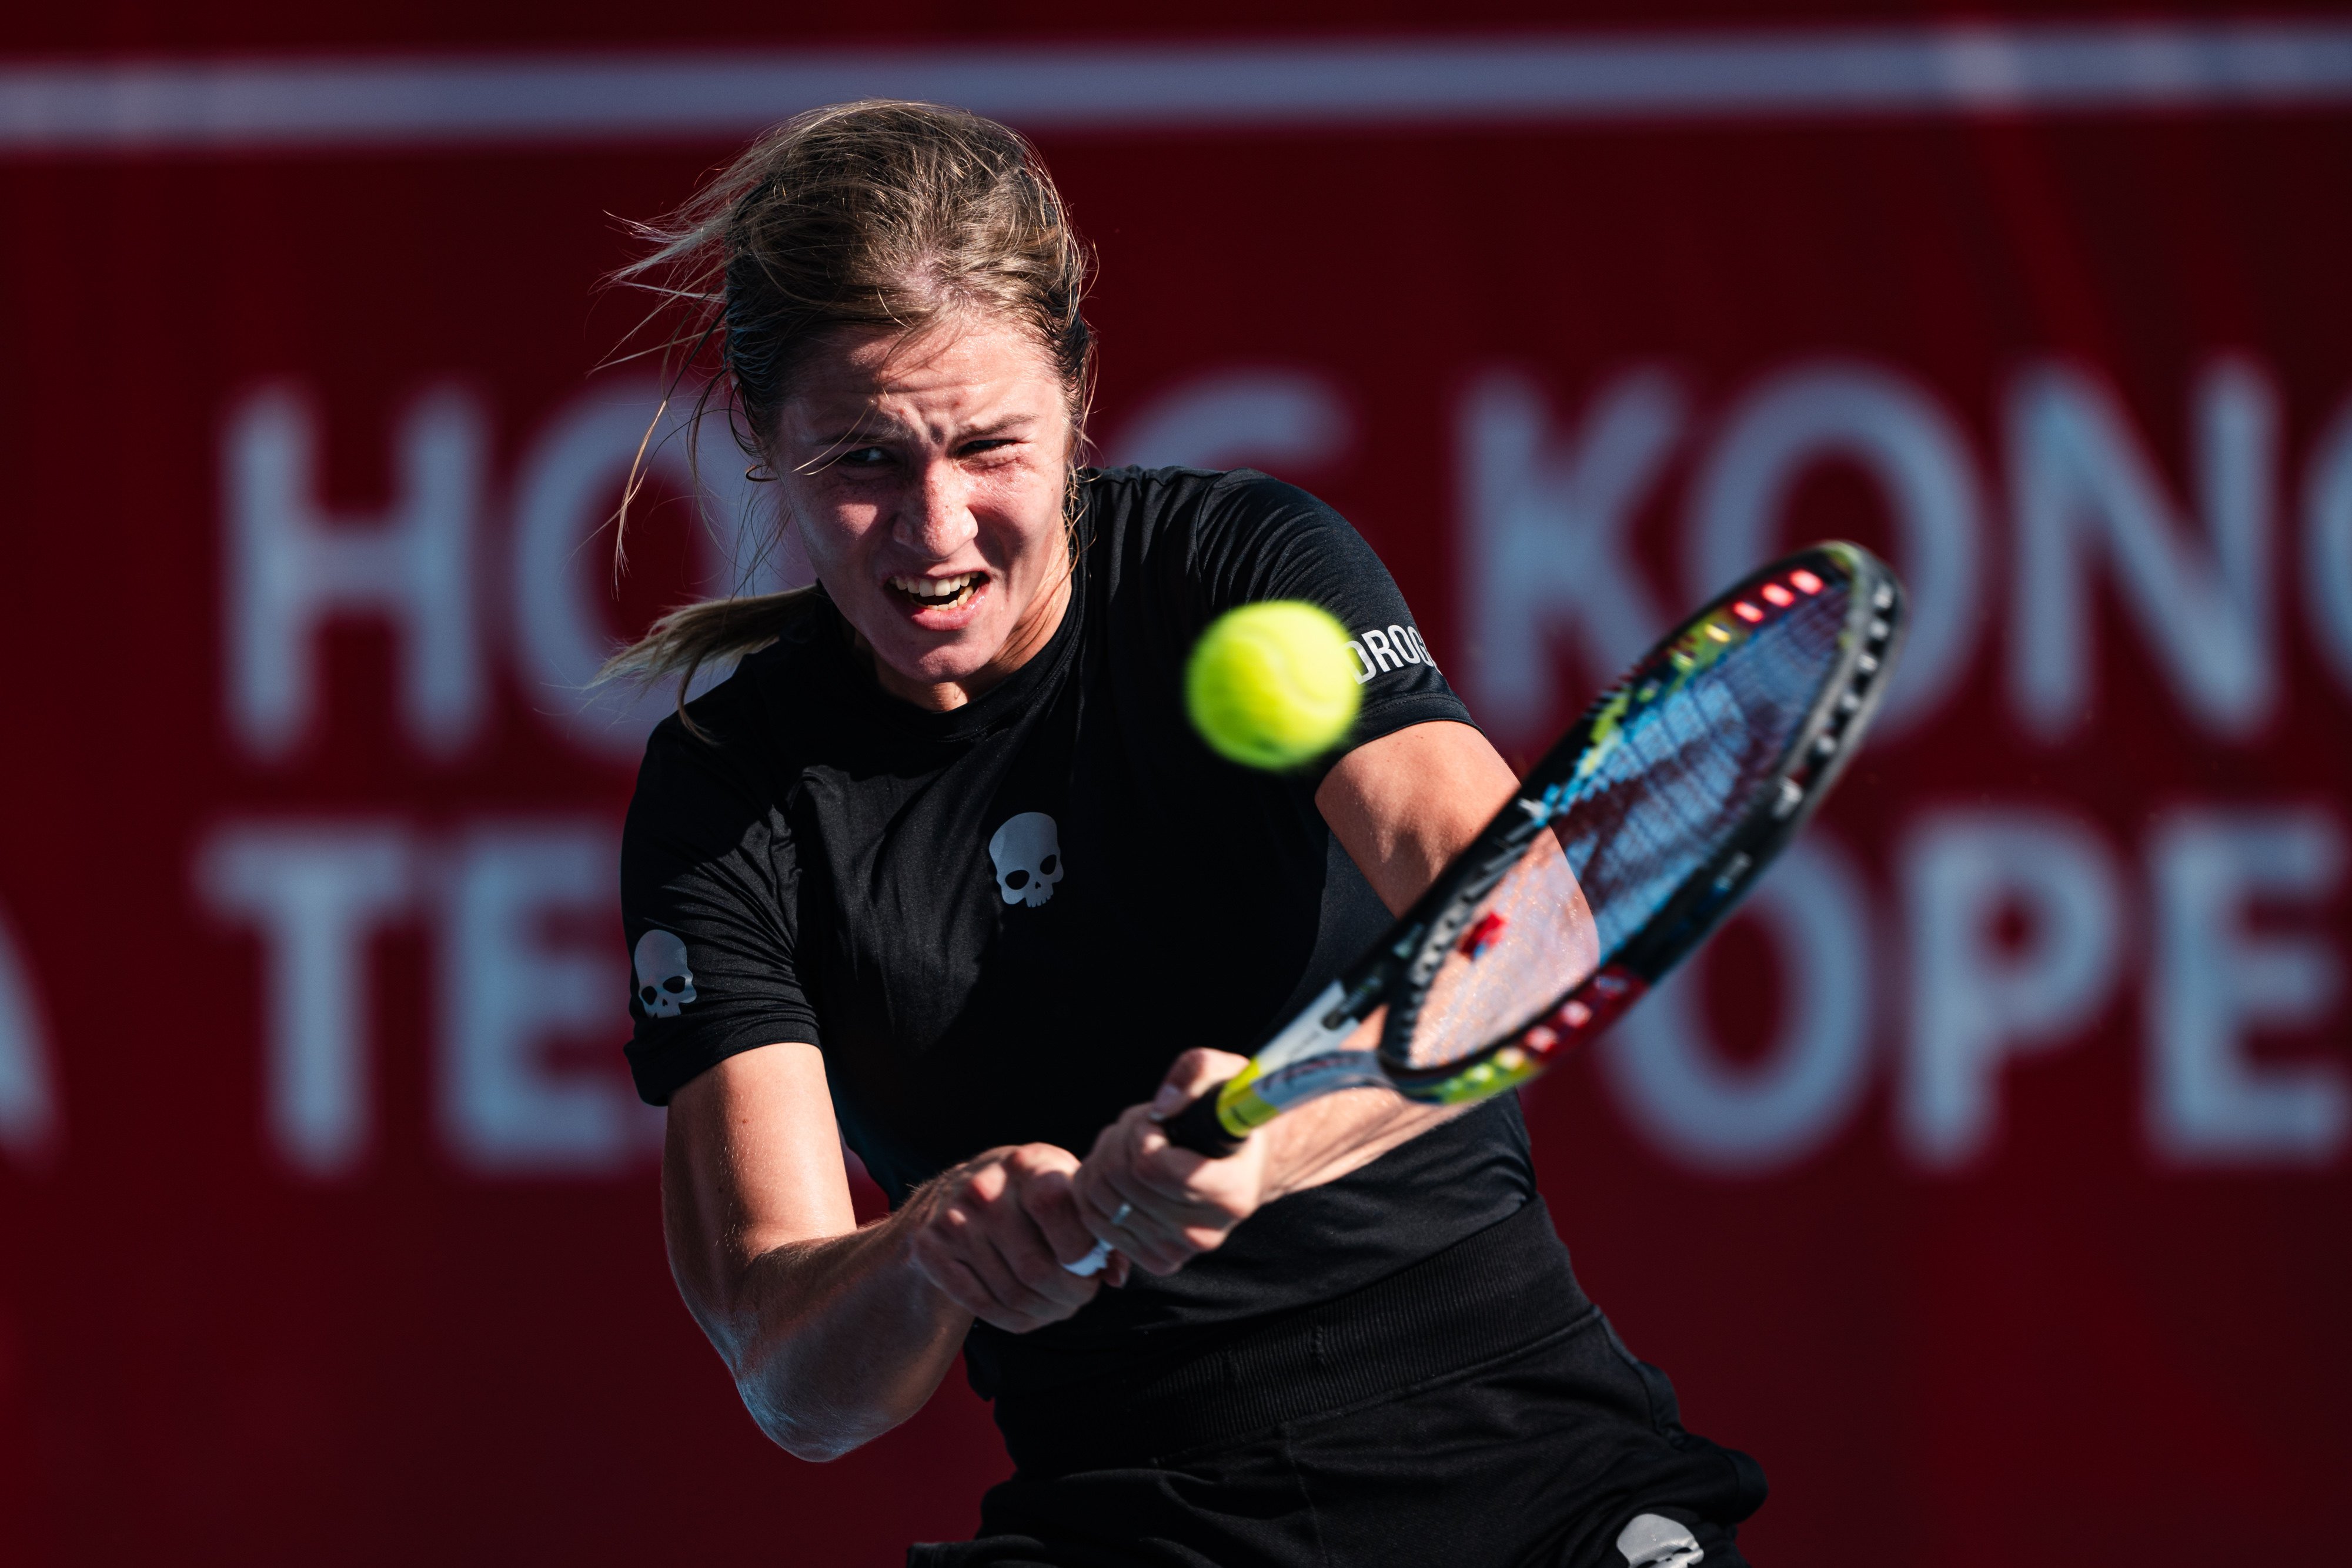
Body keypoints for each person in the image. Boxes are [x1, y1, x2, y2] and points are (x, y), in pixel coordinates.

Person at [612, 99, 1765, 1568]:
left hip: (1528, 1468)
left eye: (988, 447)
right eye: (862, 462)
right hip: (1121, 1517)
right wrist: (930, 1245)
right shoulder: (725, 791)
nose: (937, 526)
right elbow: (789, 1367)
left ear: (1078, 398)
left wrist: (1262, 1140)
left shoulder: (1239, 565)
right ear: (760, 440)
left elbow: (1529, 915)